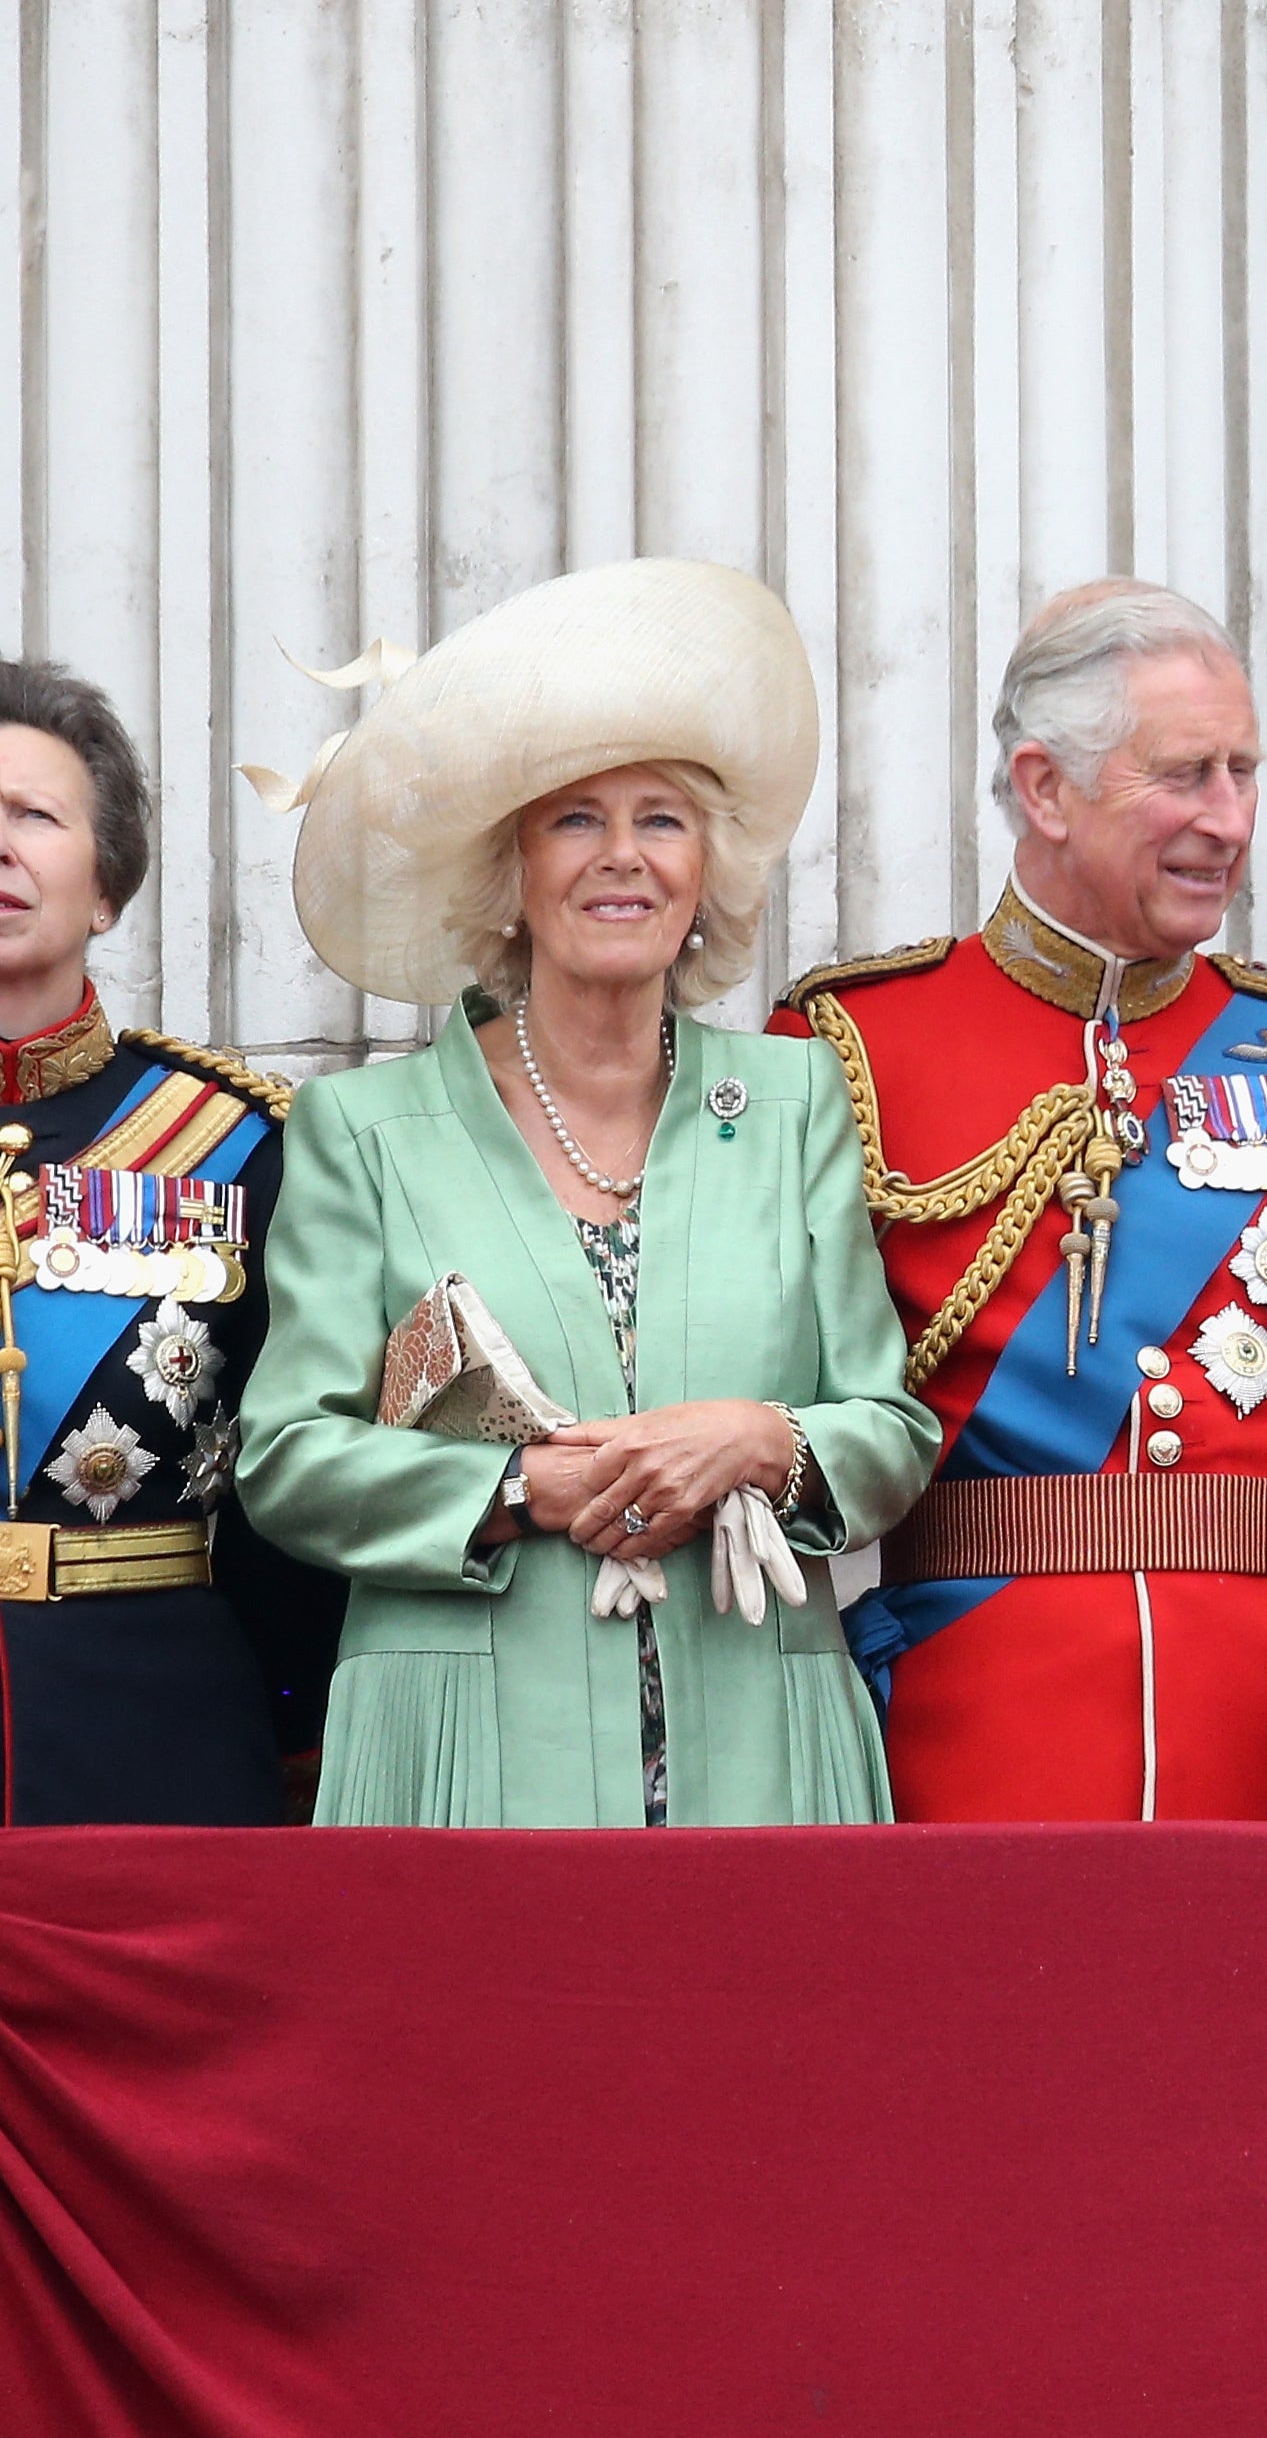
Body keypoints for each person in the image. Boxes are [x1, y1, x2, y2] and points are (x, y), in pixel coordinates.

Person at [773, 582, 1267, 1821]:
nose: (1229, 819)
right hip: (973, 1743)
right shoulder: (849, 1044)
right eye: (1184, 776)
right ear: (1045, 787)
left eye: (1244, 771)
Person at [238, 562, 944, 1826]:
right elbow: (289, 1459)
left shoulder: (794, 1105)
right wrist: (522, 1493)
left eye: (661, 820)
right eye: (574, 820)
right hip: (465, 1755)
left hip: (760, 1750)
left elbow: (888, 1433)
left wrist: (762, 1439)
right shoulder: (365, 1129)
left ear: (705, 869)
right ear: (509, 870)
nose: (622, 859)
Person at [0, 661, 327, 1823]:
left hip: (147, 1731)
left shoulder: (233, 1140)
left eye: (34, 817)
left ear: (107, 889)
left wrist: (302, 1734)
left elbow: (293, 1489)